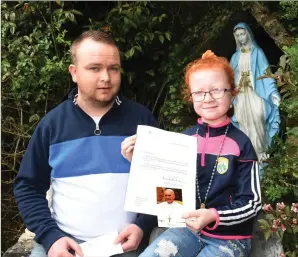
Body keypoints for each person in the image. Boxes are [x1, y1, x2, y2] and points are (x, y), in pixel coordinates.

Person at [14, 30, 158, 257]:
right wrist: (51, 238)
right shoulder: (52, 125)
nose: (106, 78)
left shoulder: (142, 120)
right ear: (74, 73)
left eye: (113, 68)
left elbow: (163, 184)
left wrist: (142, 225)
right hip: (65, 244)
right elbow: (28, 187)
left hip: (126, 244)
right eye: (94, 68)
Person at [122, 50, 261, 257]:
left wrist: (214, 215)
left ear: (232, 93)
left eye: (217, 90)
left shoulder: (241, 143)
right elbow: (167, 193)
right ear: (191, 97)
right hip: (187, 229)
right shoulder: (182, 141)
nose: (208, 98)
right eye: (199, 92)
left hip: (230, 238)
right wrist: (141, 163)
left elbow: (253, 202)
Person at [230, 22, 281, 162]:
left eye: (243, 34)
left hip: (255, 93)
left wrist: (273, 92)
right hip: (240, 95)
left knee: (259, 119)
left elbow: (266, 73)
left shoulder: (257, 52)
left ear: (248, 33)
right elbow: (229, 78)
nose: (241, 37)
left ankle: (262, 153)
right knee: (243, 123)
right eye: (238, 35)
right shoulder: (235, 57)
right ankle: (248, 157)